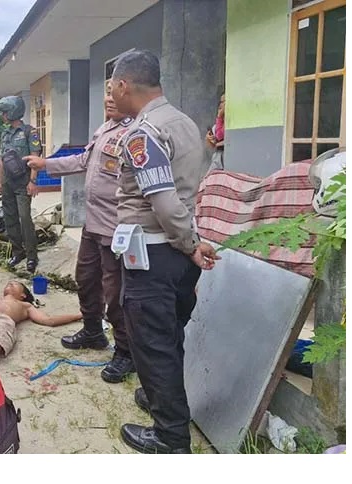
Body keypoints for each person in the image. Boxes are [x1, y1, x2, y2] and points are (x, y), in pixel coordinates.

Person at [109, 50, 221, 454]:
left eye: (111, 87)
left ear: (124, 85)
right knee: (169, 337)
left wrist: (190, 243)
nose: (111, 95)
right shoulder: (184, 122)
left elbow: (163, 200)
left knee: (152, 344)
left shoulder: (143, 133)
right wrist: (189, 245)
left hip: (154, 254)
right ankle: (163, 398)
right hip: (175, 254)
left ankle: (170, 438)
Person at [25, 81, 135, 383]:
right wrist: (46, 163)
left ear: (127, 95)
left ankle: (125, 352)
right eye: (106, 93)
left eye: (114, 94)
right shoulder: (104, 130)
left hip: (116, 227)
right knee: (85, 279)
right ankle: (92, 331)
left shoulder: (135, 132)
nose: (108, 100)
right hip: (93, 223)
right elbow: (82, 161)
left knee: (115, 291)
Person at [0, 281, 82, 362]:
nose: (11, 283)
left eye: (16, 284)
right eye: (10, 283)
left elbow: (49, 320)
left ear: (23, 295)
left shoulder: (25, 305)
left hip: (0, 321)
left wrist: (79, 315)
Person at [0, 96, 42, 273]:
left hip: (23, 183)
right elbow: (2, 160)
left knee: (25, 218)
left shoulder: (29, 132)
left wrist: (33, 181)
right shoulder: (5, 134)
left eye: (4, 112)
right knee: (10, 218)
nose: (2, 116)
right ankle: (18, 252)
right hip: (7, 183)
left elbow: (36, 157)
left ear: (12, 112)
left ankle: (32, 256)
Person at [206, 93, 225, 172]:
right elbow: (212, 144)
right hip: (218, 157)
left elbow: (220, 135)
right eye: (220, 102)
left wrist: (220, 117)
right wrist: (209, 139)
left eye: (224, 101)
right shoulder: (218, 123)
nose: (221, 104)